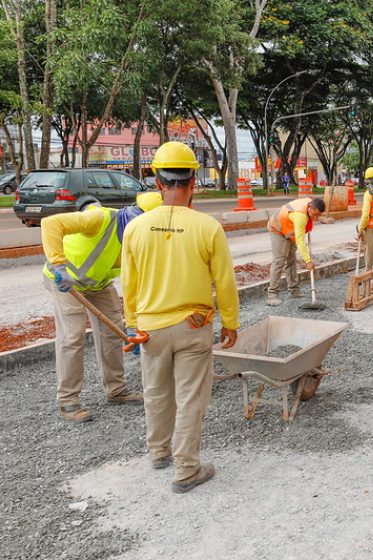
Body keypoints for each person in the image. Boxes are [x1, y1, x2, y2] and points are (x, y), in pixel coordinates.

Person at [121, 141, 240, 494]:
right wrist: (230, 323)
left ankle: (159, 452)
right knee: (190, 396)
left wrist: (131, 323)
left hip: (150, 328)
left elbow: (129, 283)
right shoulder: (207, 227)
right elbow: (225, 281)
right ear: (193, 182)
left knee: (155, 391)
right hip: (193, 326)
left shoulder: (136, 228)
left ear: (158, 182)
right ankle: (186, 468)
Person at [41, 192, 163, 422]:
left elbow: (134, 286)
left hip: (98, 285)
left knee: (112, 331)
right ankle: (68, 402)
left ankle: (116, 390)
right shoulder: (100, 219)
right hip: (64, 281)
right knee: (72, 336)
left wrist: (132, 326)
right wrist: (59, 265)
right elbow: (50, 223)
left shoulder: (141, 241)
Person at [266, 196, 326, 306]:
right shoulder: (300, 216)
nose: (315, 219)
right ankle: (272, 295)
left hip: (289, 230)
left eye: (318, 216)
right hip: (277, 230)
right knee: (279, 261)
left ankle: (293, 290)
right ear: (310, 208)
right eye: (314, 215)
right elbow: (300, 241)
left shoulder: (310, 203)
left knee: (291, 260)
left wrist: (312, 220)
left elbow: (301, 232)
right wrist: (308, 261)